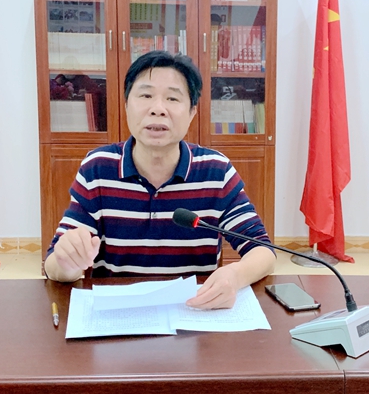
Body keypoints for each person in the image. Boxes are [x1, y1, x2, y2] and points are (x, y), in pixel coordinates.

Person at [43, 50, 276, 309]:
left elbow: (263, 251)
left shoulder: (216, 172)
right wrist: (68, 262)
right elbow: (53, 265)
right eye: (145, 96)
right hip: (119, 316)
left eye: (173, 98)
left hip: (193, 313)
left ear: (192, 112)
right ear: (126, 105)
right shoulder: (98, 168)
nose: (158, 109)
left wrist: (235, 275)